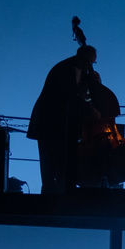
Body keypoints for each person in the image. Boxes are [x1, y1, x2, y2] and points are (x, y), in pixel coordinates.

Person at [27, 43, 99, 193]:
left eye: (92, 63)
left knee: (58, 163)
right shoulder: (63, 70)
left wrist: (95, 84)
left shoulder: (80, 72)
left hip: (62, 124)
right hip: (49, 122)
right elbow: (70, 97)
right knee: (50, 162)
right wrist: (90, 108)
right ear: (81, 58)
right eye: (89, 62)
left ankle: (59, 192)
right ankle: (51, 195)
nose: (90, 66)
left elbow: (82, 96)